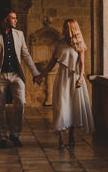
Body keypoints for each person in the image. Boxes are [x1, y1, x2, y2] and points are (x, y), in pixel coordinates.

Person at [0, 10, 44, 148]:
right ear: (5, 20)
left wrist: (35, 73)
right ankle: (2, 137)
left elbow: (26, 55)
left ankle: (14, 134)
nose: (15, 20)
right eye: (13, 18)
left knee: (20, 103)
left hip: (16, 75)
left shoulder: (19, 34)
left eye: (15, 18)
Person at [39, 19, 94, 149]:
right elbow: (53, 62)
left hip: (74, 78)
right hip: (62, 78)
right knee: (61, 106)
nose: (62, 30)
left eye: (65, 28)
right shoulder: (59, 44)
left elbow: (82, 63)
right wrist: (42, 74)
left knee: (73, 107)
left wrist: (80, 78)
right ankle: (61, 138)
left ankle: (71, 135)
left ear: (71, 29)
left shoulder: (80, 44)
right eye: (63, 27)